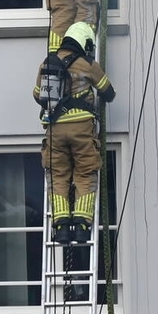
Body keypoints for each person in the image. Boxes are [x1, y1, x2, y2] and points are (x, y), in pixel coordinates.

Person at [33, 21, 115, 246]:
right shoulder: (87, 64)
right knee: (85, 173)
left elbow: (37, 95)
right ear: (85, 43)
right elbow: (108, 92)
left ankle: (60, 227)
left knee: (58, 176)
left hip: (55, 130)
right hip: (82, 129)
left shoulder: (47, 63)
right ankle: (81, 226)